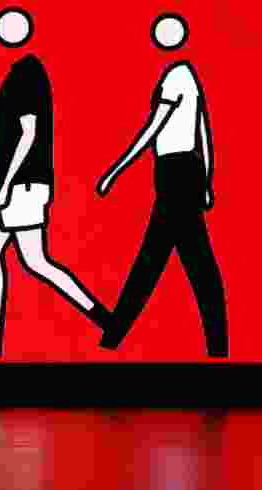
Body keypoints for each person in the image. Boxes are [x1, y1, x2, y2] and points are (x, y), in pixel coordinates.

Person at [0, 8, 110, 357]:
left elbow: (29, 133)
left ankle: (104, 319)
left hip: (22, 185)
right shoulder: (20, 72)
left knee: (36, 262)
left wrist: (5, 185)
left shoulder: (28, 74)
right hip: (14, 184)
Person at [97, 14, 227, 357]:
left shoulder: (176, 77)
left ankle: (112, 337)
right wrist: (208, 179)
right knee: (173, 261)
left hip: (176, 174)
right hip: (183, 173)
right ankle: (217, 347)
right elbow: (204, 134)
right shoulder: (188, 77)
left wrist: (116, 170)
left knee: (160, 262)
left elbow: (154, 128)